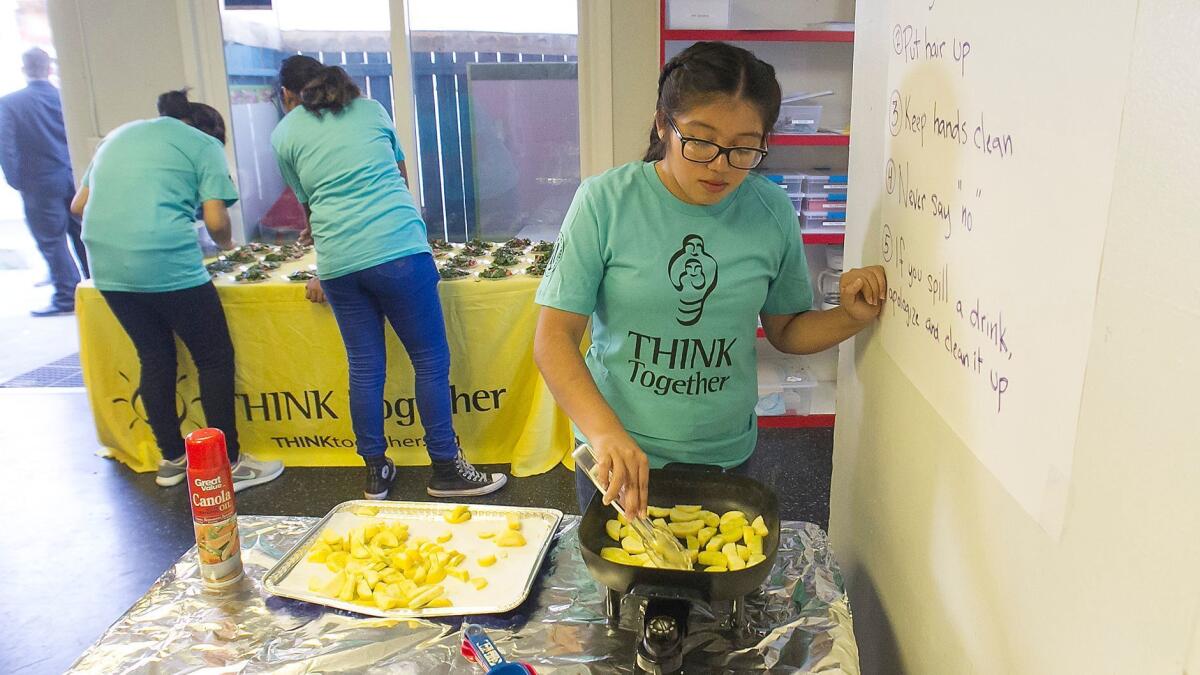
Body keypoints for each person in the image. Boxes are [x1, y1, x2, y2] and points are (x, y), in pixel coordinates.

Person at [533, 42, 888, 517]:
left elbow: (787, 330)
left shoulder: (770, 211)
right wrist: (605, 433)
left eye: (744, 147)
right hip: (619, 456)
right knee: (621, 585)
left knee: (715, 583)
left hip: (726, 459)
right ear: (664, 124)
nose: (720, 164)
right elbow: (554, 338)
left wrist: (850, 317)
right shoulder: (605, 202)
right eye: (700, 141)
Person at [271, 55, 507, 500]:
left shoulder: (284, 133)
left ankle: (375, 472)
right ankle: (446, 469)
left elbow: (310, 204)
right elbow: (397, 176)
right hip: (398, 249)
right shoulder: (371, 109)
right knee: (430, 362)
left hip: (340, 263)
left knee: (364, 368)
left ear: (287, 95)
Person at [70, 89, 283, 492]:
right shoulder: (203, 146)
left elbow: (79, 205)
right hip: (164, 259)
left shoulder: (119, 135)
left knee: (153, 355)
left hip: (107, 264)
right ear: (213, 133)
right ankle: (227, 465)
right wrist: (227, 247)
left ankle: (172, 459)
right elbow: (217, 220)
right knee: (214, 357)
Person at [0, 47, 89, 317]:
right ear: (49, 68)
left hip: (38, 181)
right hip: (73, 178)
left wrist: (16, 180)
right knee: (82, 236)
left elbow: (6, 145)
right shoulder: (64, 97)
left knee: (52, 241)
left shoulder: (10, 103)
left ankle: (66, 297)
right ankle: (94, 287)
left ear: (24, 68)